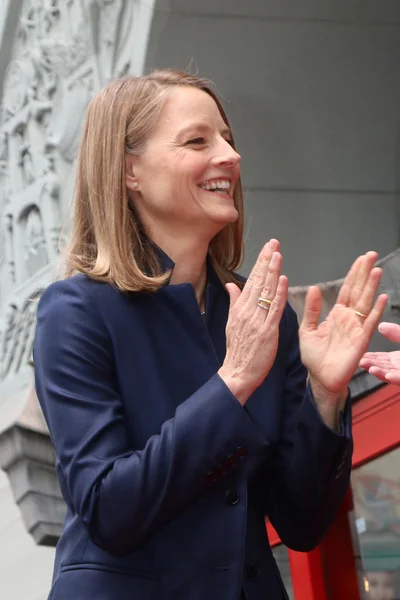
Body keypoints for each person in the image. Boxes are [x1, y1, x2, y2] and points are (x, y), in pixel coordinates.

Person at [33, 70, 388, 600]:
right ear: (129, 171)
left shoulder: (260, 313)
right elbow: (109, 508)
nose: (229, 156)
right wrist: (233, 383)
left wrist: (326, 393)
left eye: (227, 139)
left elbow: (301, 523)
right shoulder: (76, 311)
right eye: (198, 140)